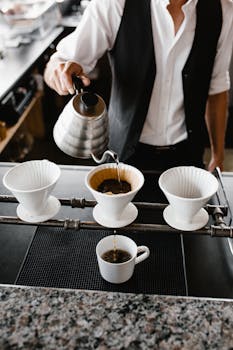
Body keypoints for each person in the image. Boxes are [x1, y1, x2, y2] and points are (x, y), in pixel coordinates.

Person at [44, 0, 233, 172]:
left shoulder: (223, 10)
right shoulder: (115, 4)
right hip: (124, 154)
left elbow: (217, 88)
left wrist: (218, 154)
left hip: (187, 155)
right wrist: (58, 69)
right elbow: (61, 61)